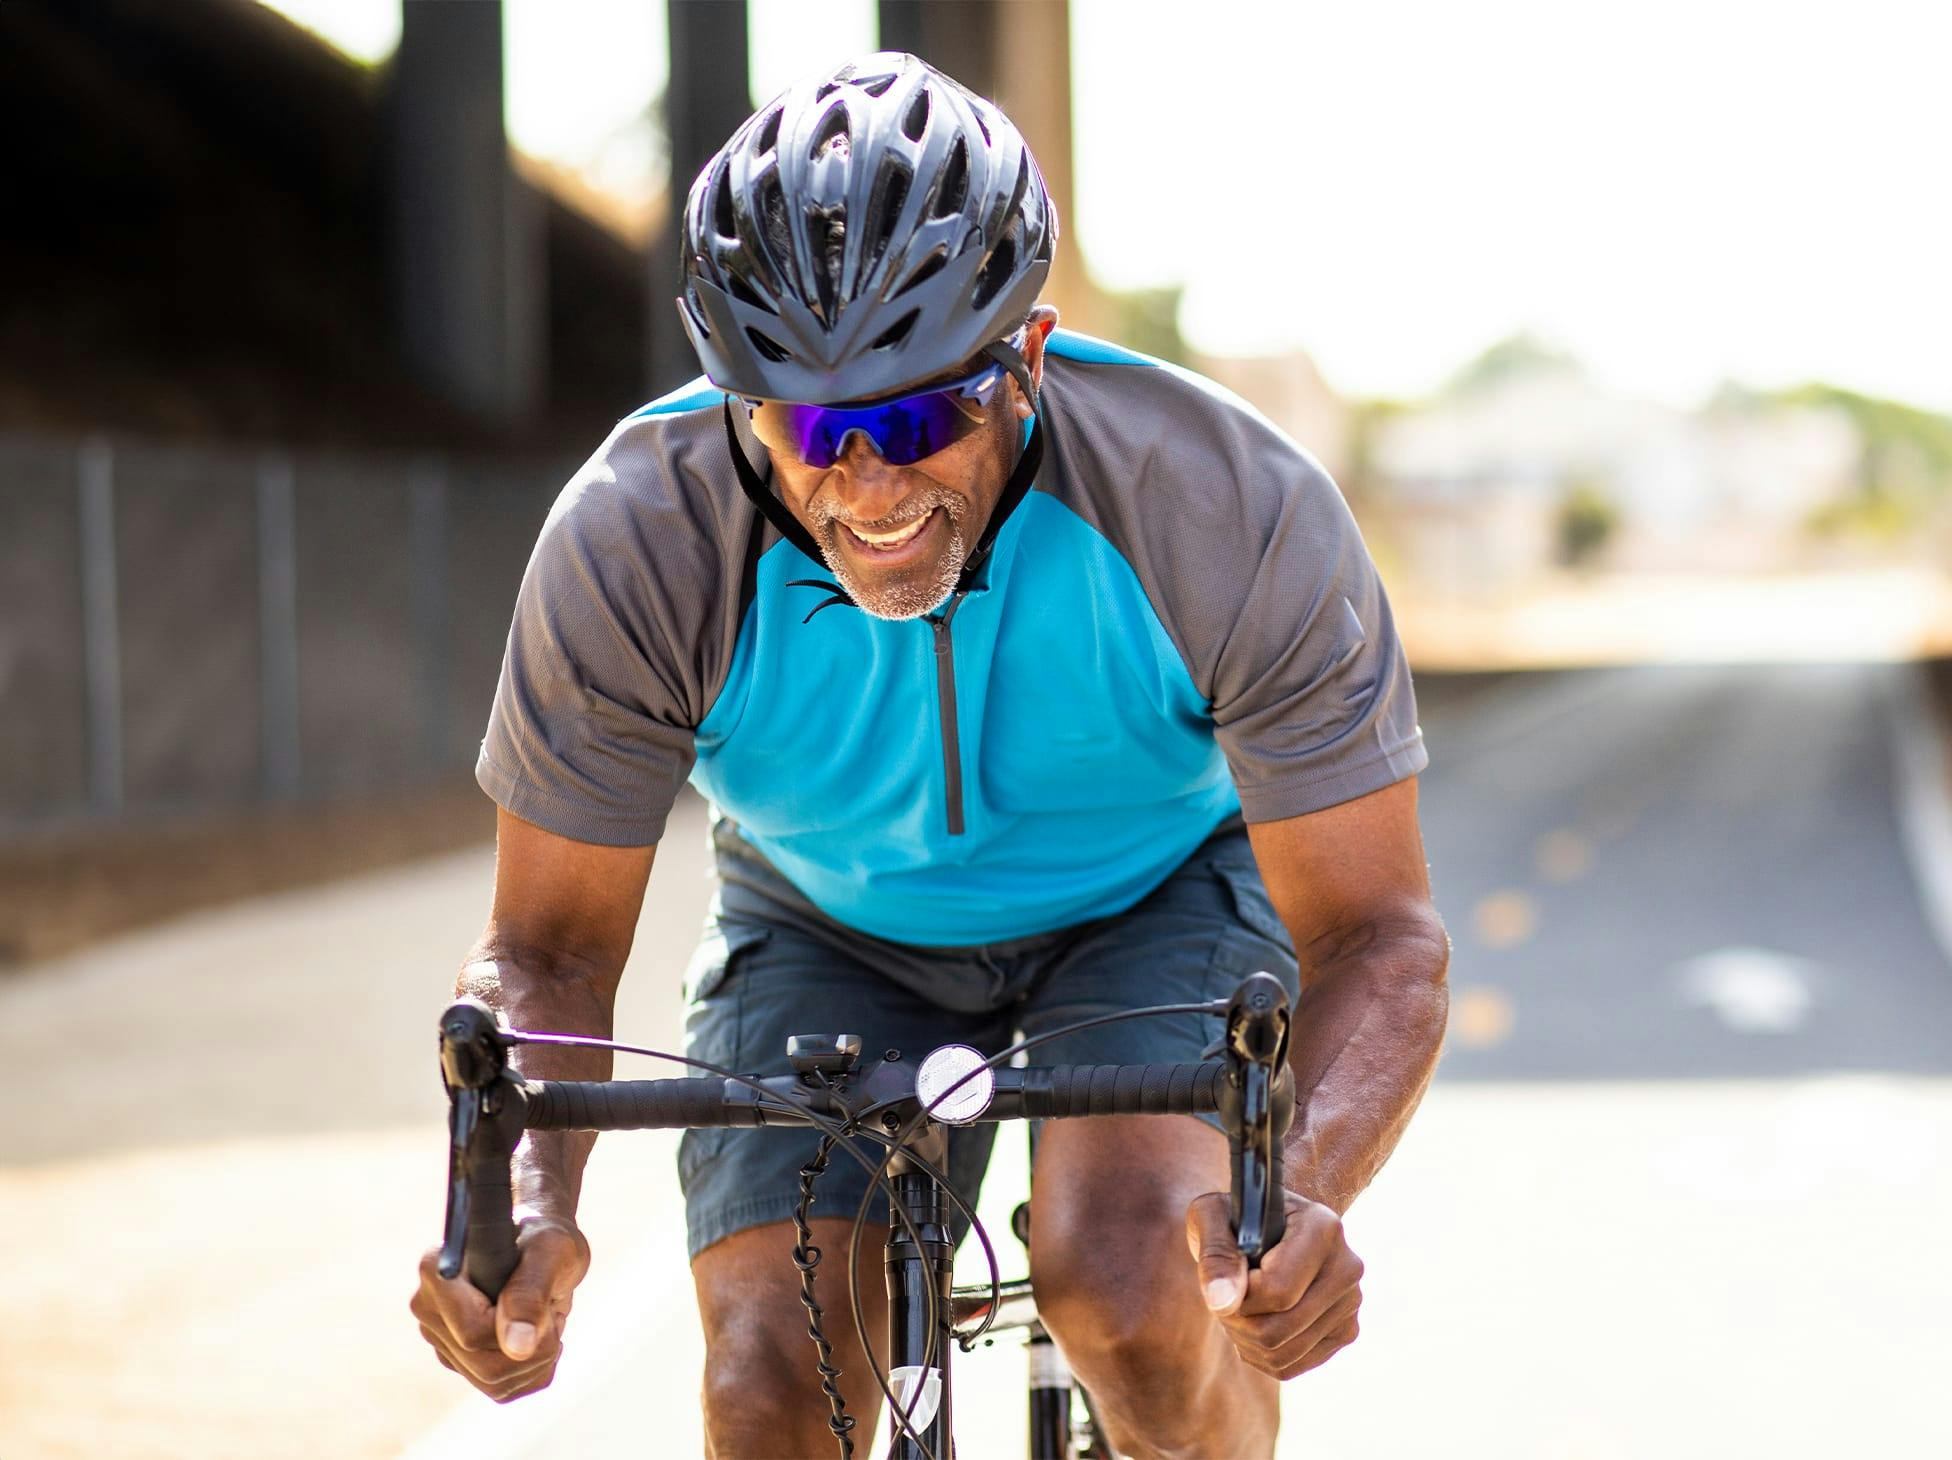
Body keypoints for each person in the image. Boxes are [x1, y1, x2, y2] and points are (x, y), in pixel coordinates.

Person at [410, 51, 1448, 1460]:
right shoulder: (638, 539)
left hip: (1155, 893)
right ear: (737, 404)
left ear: (1029, 358)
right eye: (812, 425)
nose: (868, 482)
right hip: (823, 919)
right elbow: (544, 950)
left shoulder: (1221, 503)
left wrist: (1299, 1196)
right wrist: (521, 1200)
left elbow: (1381, 934)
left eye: (916, 415)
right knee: (767, 1388)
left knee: (1139, 1292)